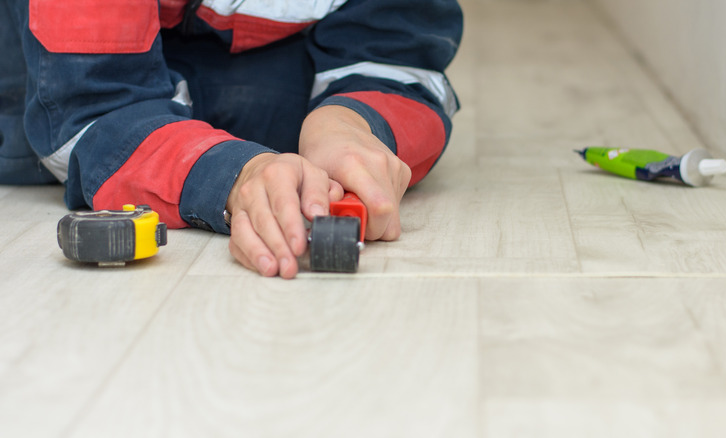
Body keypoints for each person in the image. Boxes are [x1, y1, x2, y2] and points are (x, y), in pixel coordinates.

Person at [0, 0, 463, 278]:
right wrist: (232, 176)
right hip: (35, 92)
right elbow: (90, 108)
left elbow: (403, 57)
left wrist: (352, 123)